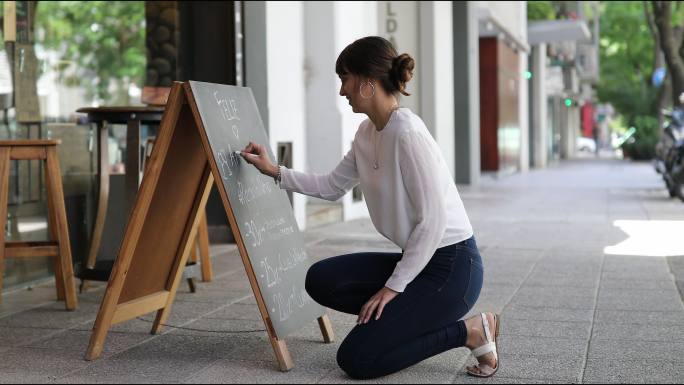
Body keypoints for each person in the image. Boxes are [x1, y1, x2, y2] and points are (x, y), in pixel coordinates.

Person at [240, 36, 499, 380]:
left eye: (344, 79)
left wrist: (392, 287)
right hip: (419, 262)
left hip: (452, 269)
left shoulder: (408, 133)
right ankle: (406, 320)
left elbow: (433, 221)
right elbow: (331, 186)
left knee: (358, 359)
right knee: (321, 280)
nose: (342, 90)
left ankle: (469, 331)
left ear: (367, 82)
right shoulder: (366, 133)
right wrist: (273, 170)